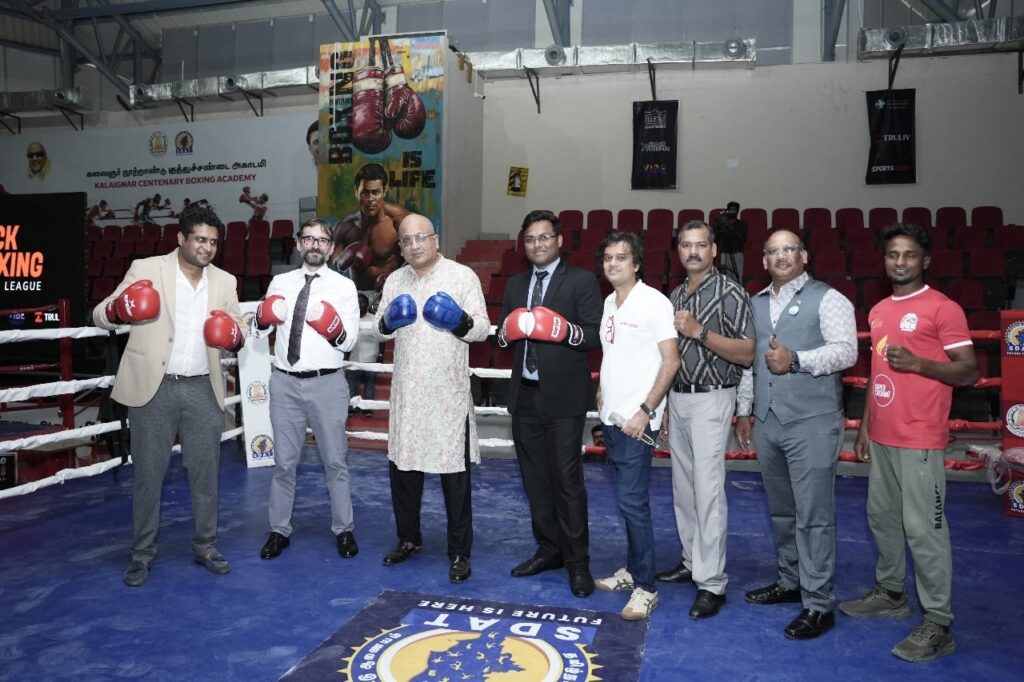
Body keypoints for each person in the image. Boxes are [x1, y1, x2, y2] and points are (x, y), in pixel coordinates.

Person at [838, 223, 978, 663]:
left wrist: (920, 363)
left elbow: (969, 370)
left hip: (920, 436)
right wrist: (864, 426)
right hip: (882, 435)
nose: (900, 262)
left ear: (925, 260)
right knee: (881, 519)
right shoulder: (880, 309)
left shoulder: (943, 308)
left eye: (910, 254)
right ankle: (892, 593)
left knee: (924, 530)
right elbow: (878, 374)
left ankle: (938, 622)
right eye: (893, 254)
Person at [92, 203, 245, 587]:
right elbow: (99, 314)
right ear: (181, 238)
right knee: (148, 475)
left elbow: (239, 327)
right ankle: (142, 553)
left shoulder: (225, 281)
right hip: (154, 388)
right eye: (200, 239)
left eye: (213, 242)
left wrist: (235, 335)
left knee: (206, 473)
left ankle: (206, 545)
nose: (207, 247)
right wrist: (119, 309)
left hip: (202, 388)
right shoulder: (146, 269)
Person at [734, 230, 858, 640]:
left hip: (813, 420)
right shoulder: (755, 303)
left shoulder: (830, 298)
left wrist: (797, 359)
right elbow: (750, 363)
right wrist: (745, 410)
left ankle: (819, 603)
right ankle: (791, 581)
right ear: (764, 261)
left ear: (804, 256)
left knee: (814, 515)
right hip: (768, 420)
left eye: (789, 249)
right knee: (782, 511)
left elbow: (847, 350)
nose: (782, 256)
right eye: (773, 251)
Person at [373, 214, 490, 583]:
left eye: (420, 237)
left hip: (448, 395)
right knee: (404, 473)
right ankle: (408, 539)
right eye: (406, 240)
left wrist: (460, 321)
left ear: (435, 239)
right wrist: (389, 321)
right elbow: (378, 328)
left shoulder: (462, 276)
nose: (414, 245)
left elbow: (483, 328)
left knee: (455, 480)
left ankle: (459, 552)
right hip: (408, 394)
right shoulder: (395, 280)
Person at [497, 209, 603, 598]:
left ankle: (578, 561)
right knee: (535, 480)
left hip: (563, 397)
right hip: (524, 394)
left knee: (567, 481)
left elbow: (595, 334)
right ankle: (549, 549)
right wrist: (507, 333)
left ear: (558, 240)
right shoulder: (515, 283)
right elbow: (502, 337)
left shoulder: (582, 280)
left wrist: (564, 331)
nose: (537, 244)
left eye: (544, 237)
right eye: (530, 239)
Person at [656, 219, 755, 620]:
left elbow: (748, 353)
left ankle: (712, 581)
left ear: (713, 250)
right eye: (686, 245)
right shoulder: (676, 294)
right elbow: (670, 357)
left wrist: (699, 332)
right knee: (683, 489)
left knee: (708, 491)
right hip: (679, 397)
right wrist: (665, 403)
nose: (693, 251)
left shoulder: (731, 292)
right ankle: (691, 560)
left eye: (700, 245)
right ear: (678, 251)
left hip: (713, 398)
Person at [253, 217, 361, 562]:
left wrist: (333, 329)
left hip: (328, 383)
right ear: (300, 244)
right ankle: (278, 530)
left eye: (322, 240)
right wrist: (262, 319)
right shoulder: (280, 282)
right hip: (285, 382)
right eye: (309, 239)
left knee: (335, 461)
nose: (315, 245)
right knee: (284, 463)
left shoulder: (344, 287)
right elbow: (258, 332)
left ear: (331, 248)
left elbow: (350, 342)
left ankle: (344, 529)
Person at [592, 231, 680, 620]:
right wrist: (602, 389)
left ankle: (646, 587)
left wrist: (647, 409)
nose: (613, 263)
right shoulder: (609, 302)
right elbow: (614, 353)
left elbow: (671, 360)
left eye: (621, 257)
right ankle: (631, 570)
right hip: (613, 417)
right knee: (626, 501)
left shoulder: (654, 302)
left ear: (636, 263)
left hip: (637, 421)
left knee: (633, 502)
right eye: (608, 258)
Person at [330, 163, 410, 293]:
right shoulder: (345, 226)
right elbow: (327, 271)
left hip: (391, 295)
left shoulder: (400, 221)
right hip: (357, 297)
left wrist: (394, 280)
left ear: (384, 191)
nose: (370, 199)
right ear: (356, 191)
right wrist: (341, 262)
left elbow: (422, 260)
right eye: (365, 193)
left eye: (376, 192)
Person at [347, 292, 381, 416]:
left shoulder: (374, 319)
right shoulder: (350, 319)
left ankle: (368, 408)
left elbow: (381, 337)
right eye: (358, 302)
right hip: (354, 357)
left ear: (367, 304)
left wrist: (381, 355)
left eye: (362, 302)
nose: (360, 304)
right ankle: (353, 406)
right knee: (352, 384)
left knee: (369, 384)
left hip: (371, 357)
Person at [716, 201, 748, 283]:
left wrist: (729, 226)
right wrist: (719, 224)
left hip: (737, 253)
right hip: (725, 253)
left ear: (737, 211)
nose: (732, 212)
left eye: (734, 210)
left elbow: (742, 238)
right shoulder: (722, 224)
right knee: (725, 280)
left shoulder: (741, 224)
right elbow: (716, 238)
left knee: (738, 278)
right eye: (730, 210)